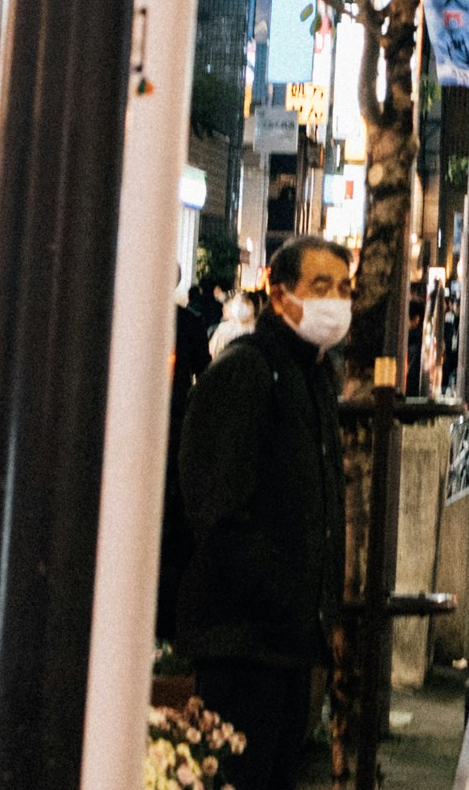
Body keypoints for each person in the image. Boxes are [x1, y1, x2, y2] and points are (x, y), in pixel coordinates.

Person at [179, 237, 353, 790]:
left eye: (343, 288)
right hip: (242, 641)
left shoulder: (316, 376)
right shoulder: (247, 372)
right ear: (280, 297)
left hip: (290, 642)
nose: (335, 301)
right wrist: (284, 594)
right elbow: (218, 510)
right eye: (319, 287)